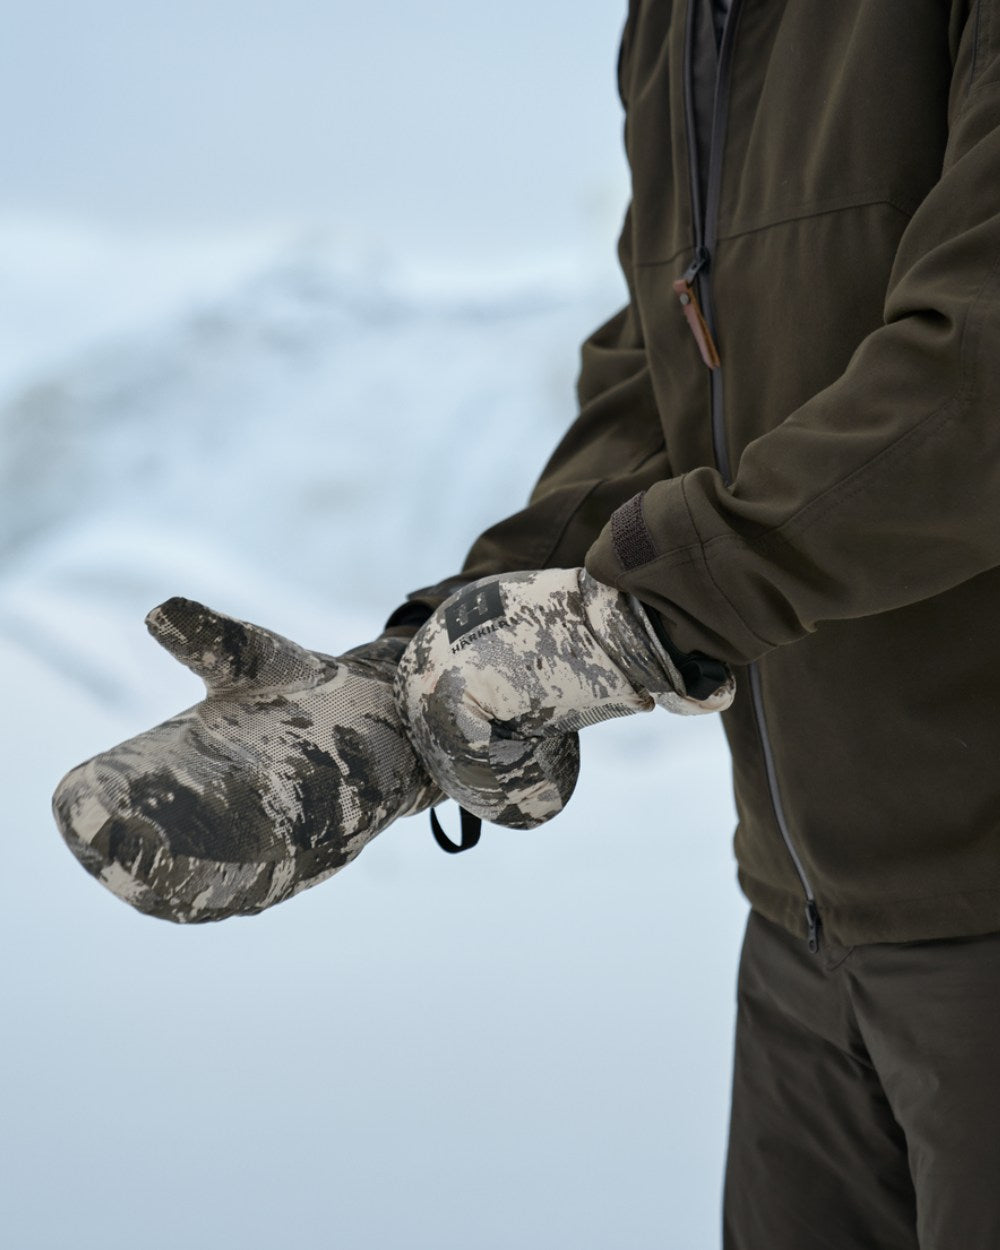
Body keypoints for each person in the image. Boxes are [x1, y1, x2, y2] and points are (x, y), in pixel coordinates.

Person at [52, 2, 1000, 1245]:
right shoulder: (679, 22)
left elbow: (975, 370)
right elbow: (663, 376)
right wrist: (424, 673)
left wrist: (642, 616)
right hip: (805, 925)